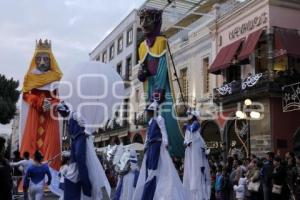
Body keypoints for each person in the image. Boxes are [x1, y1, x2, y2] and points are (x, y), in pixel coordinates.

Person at [137, 8, 184, 158]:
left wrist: (158, 92)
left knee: (165, 117)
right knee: (152, 118)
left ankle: (171, 148)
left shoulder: (162, 41)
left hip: (160, 85)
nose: (143, 23)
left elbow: (162, 66)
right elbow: (143, 67)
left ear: (156, 22)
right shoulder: (141, 46)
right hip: (149, 84)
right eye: (142, 19)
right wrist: (141, 74)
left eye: (147, 19)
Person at [19, 39, 62, 173]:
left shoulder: (57, 77)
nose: (42, 62)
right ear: (35, 59)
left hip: (50, 117)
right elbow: (26, 95)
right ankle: (31, 174)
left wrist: (53, 103)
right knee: (32, 142)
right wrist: (38, 101)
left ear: (50, 60)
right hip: (35, 114)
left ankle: (50, 175)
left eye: (45, 58)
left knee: (51, 144)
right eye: (39, 58)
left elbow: (61, 96)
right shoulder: (30, 77)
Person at [133, 101, 190, 200]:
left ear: (154, 111)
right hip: (150, 147)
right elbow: (148, 135)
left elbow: (163, 131)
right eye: (148, 111)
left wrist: (166, 143)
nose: (148, 113)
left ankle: (153, 190)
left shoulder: (160, 119)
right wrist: (145, 145)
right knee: (149, 169)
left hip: (156, 146)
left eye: (150, 111)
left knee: (154, 169)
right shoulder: (150, 122)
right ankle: (150, 187)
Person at [183, 110, 211, 200]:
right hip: (190, 150)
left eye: (189, 115)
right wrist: (186, 143)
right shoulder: (189, 128)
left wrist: (187, 126)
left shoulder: (195, 123)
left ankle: (198, 195)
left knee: (195, 169)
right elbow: (186, 139)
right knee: (190, 168)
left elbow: (193, 129)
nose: (188, 117)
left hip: (196, 149)